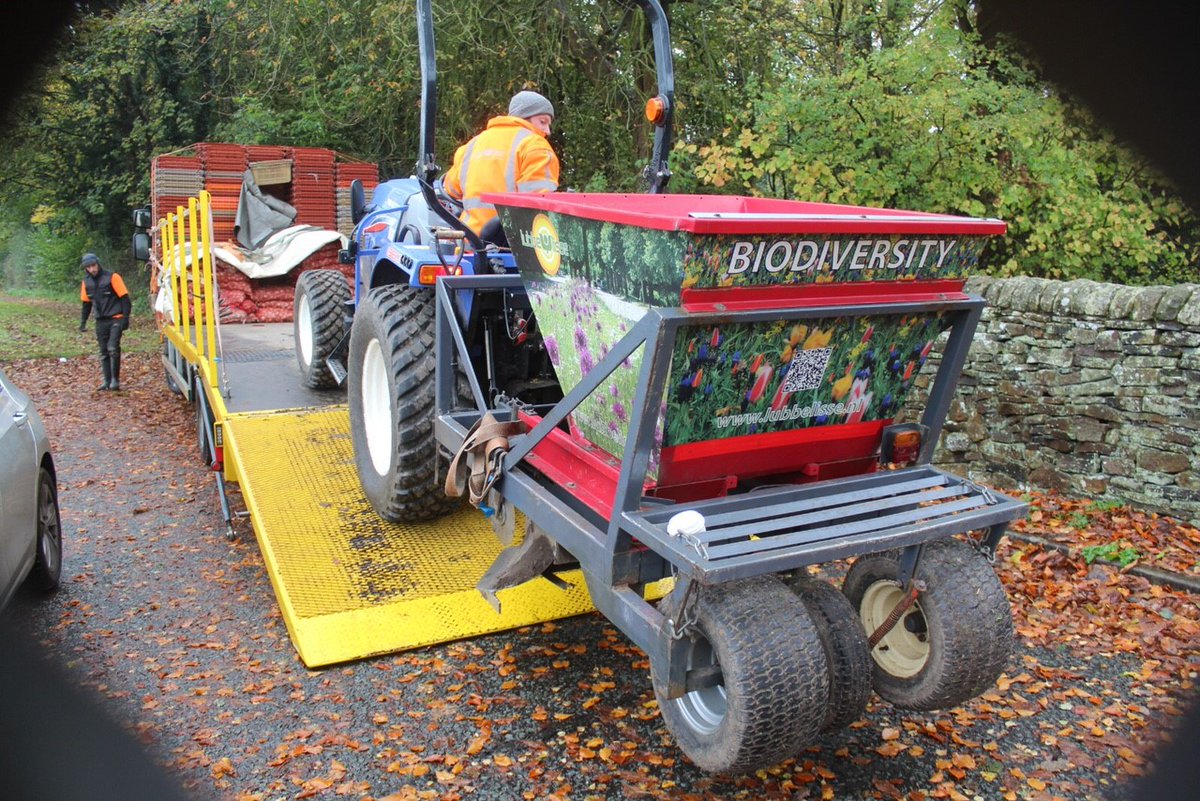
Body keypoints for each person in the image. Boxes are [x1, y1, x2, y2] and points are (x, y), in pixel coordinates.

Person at [442, 89, 560, 241]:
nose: (547, 131)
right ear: (524, 117)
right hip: (515, 246)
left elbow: (450, 189)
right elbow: (540, 202)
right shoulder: (535, 145)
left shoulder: (472, 145)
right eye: (542, 122)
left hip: (469, 243)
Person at [78, 252, 131, 391]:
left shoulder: (113, 277)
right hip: (100, 320)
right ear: (85, 268)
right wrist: (83, 322)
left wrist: (125, 318)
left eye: (94, 265)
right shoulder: (86, 282)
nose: (92, 269)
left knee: (113, 348)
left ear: (98, 263)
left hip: (116, 317)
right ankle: (107, 381)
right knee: (103, 351)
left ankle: (115, 380)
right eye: (88, 267)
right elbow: (86, 304)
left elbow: (125, 299)